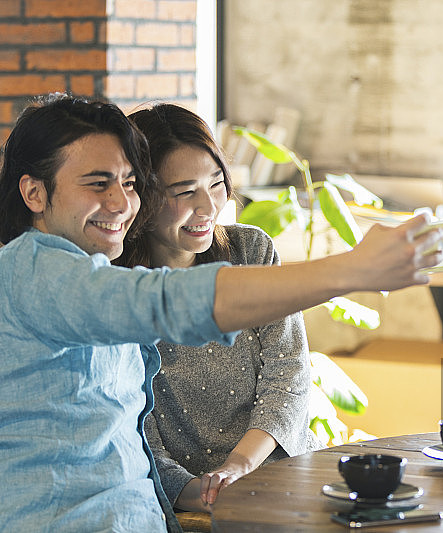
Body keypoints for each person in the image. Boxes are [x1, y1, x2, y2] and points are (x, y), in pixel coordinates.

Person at [0, 92, 443, 533]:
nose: (122, 202)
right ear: (34, 192)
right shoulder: (30, 275)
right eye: (98, 184)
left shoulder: (95, 276)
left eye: (128, 182)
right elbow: (171, 301)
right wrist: (354, 269)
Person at [116, 103, 323, 512]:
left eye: (215, 184)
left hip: (284, 476)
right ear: (140, 196)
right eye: (184, 192)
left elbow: (289, 374)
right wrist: (209, 492)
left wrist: (239, 467)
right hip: (189, 502)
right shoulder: (119, 291)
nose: (209, 207)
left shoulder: (251, 250)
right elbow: (135, 432)